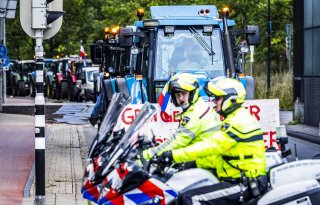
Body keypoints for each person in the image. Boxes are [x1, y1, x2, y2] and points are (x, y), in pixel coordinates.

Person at [158, 77, 267, 205]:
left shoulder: (237, 122)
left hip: (243, 184)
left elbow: (210, 146)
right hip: (237, 179)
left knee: (191, 198)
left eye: (218, 98)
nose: (214, 102)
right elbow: (217, 155)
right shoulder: (234, 118)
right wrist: (193, 163)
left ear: (230, 99)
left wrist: (173, 156)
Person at [143, 73, 220, 160]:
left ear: (192, 93)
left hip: (205, 163)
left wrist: (147, 154)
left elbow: (176, 141)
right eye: (177, 95)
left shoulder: (195, 114)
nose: (181, 99)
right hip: (204, 159)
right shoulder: (197, 107)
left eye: (184, 94)